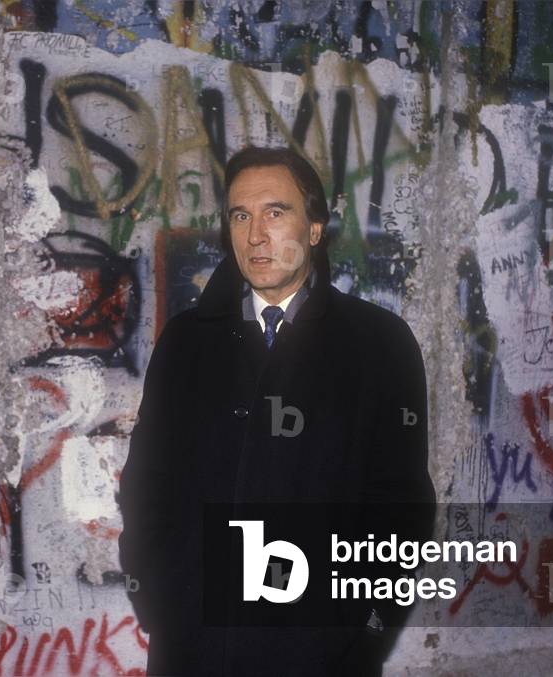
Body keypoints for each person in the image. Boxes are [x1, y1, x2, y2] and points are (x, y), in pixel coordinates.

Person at [117, 146, 436, 676]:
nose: (256, 234)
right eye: (241, 215)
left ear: (314, 228)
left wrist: (362, 628)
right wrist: (159, 597)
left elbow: (400, 508)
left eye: (276, 212)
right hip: (194, 651)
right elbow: (148, 484)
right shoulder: (187, 344)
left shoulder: (380, 344)